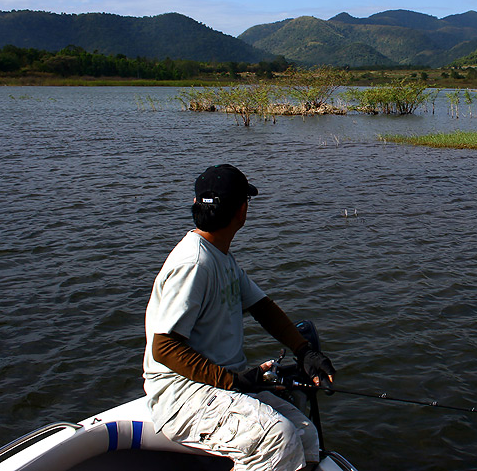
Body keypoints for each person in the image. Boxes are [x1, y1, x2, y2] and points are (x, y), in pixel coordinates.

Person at [143, 164, 336, 471]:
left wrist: (304, 351)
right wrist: (233, 380)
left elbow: (263, 308)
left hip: (218, 385)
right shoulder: (194, 263)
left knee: (306, 436)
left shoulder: (219, 255)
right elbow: (163, 347)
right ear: (241, 211)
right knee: (278, 439)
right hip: (182, 395)